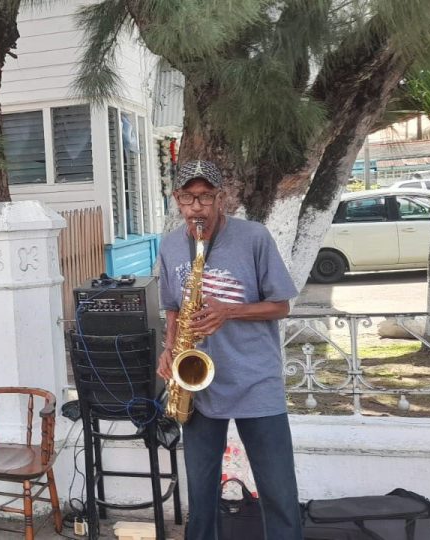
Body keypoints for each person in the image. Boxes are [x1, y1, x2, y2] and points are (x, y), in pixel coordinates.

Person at [155, 160, 303, 539]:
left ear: (221, 198)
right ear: (177, 199)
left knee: (278, 492)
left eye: (205, 196)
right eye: (188, 197)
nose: (196, 207)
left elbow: (281, 305)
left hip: (255, 379)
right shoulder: (171, 245)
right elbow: (172, 307)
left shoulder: (254, 237)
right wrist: (169, 349)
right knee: (201, 497)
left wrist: (229, 312)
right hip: (198, 385)